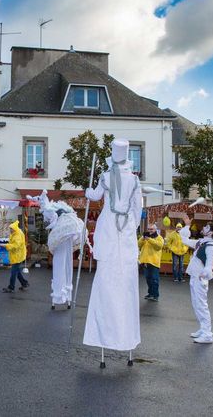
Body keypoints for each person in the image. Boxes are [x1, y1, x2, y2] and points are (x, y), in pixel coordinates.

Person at [83, 138, 143, 366]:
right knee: (126, 284)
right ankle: (125, 340)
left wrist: (88, 190)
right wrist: (129, 228)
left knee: (106, 282)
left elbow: (96, 196)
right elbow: (138, 210)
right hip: (125, 230)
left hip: (109, 227)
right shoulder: (135, 181)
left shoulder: (106, 177)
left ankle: (104, 335)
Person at [179, 219, 213, 344]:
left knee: (201, 306)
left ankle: (207, 334)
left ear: (211, 233)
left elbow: (210, 263)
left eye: (207, 227)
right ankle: (203, 329)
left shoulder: (211, 246)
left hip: (200, 278)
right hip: (195, 276)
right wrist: (187, 226)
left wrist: (206, 273)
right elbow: (185, 240)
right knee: (196, 304)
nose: (204, 228)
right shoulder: (201, 242)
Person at [138, 223, 163, 302]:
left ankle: (155, 295)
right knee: (148, 279)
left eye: (151, 229)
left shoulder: (159, 238)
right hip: (145, 261)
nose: (150, 230)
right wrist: (143, 238)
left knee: (154, 279)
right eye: (148, 229)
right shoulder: (145, 237)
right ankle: (150, 294)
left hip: (154, 262)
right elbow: (138, 245)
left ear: (155, 229)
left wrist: (149, 239)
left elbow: (159, 246)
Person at [3, 220, 29, 293]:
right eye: (10, 229)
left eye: (11, 229)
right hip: (17, 255)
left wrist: (6, 246)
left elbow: (16, 246)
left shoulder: (17, 235)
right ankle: (24, 283)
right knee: (17, 272)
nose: (10, 230)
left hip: (18, 256)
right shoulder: (15, 233)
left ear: (14, 229)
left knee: (13, 272)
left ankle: (11, 287)